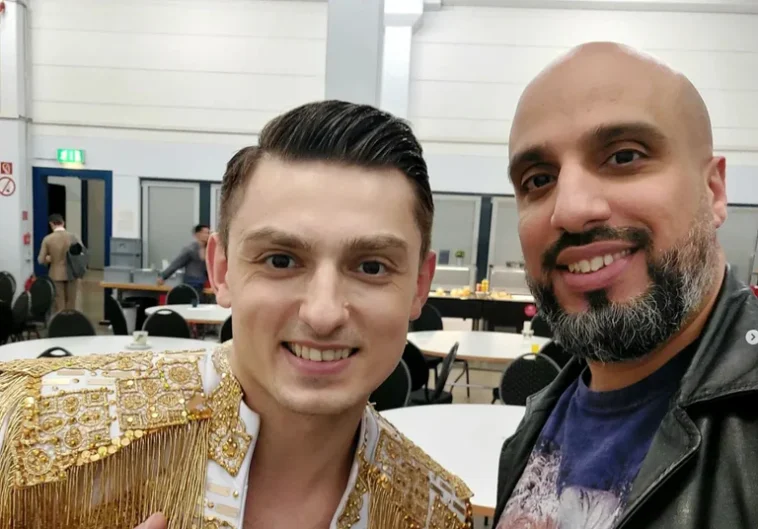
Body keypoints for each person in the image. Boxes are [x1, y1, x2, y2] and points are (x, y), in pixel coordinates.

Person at [0, 101, 472, 529]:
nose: (324, 313)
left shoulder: (436, 514)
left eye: (371, 267)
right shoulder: (29, 431)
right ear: (222, 270)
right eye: (281, 260)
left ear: (419, 285)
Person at [494, 42, 758, 529]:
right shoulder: (535, 423)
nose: (570, 210)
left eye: (623, 156)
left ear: (713, 191)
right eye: (538, 179)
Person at [37, 213, 80, 312]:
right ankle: (71, 319)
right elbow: (81, 255)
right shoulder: (74, 237)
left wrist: (48, 258)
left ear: (51, 224)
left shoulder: (48, 239)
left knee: (59, 303)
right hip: (72, 274)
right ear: (63, 223)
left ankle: (60, 320)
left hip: (56, 274)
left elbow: (40, 260)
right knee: (71, 302)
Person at [158, 223, 210, 296]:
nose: (208, 235)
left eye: (208, 233)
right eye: (205, 233)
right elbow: (176, 263)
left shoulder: (208, 249)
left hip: (203, 284)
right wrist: (163, 276)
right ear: (198, 234)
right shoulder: (190, 249)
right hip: (192, 283)